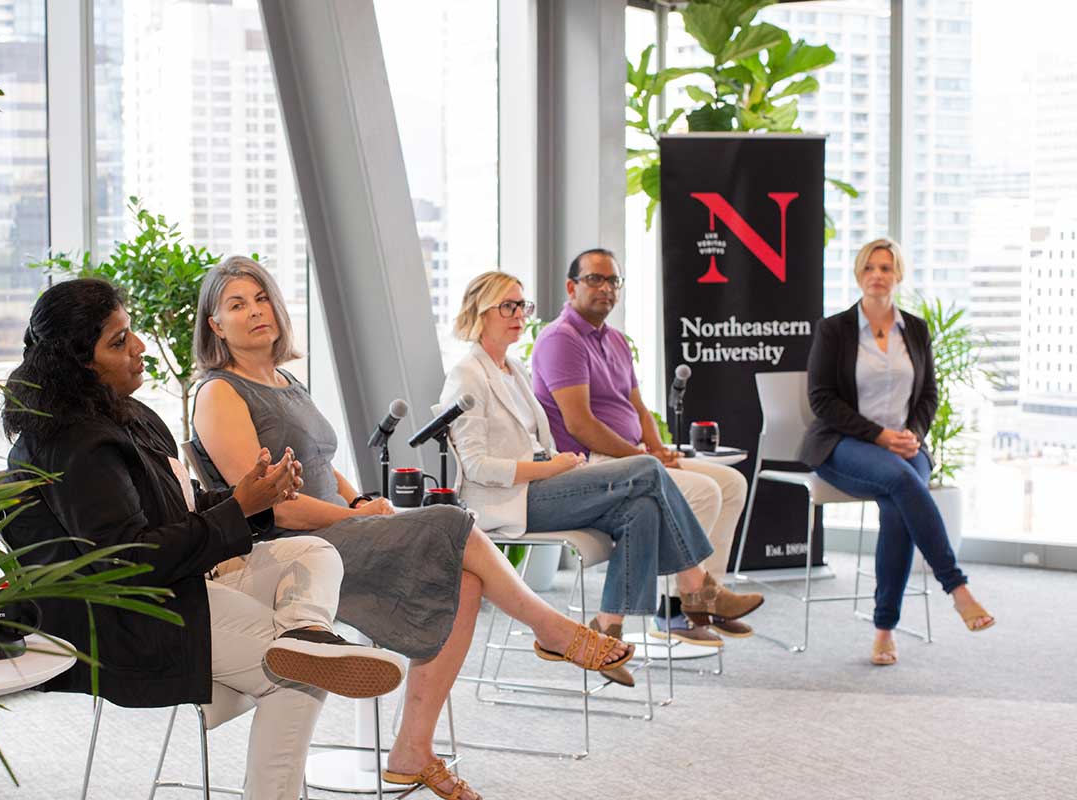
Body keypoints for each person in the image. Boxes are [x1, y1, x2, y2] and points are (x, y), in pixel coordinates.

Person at [191, 256, 634, 800]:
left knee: (465, 577)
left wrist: (361, 499)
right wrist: (356, 516)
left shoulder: (286, 380)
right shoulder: (218, 393)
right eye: (237, 305)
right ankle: (553, 631)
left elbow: (320, 463)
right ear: (215, 325)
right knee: (452, 521)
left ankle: (411, 752)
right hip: (294, 552)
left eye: (261, 298)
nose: (256, 311)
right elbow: (269, 508)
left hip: (340, 527)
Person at [0, 278, 406, 800]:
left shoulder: (127, 416)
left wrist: (250, 498)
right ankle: (300, 660)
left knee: (311, 551)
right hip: (132, 616)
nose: (139, 348)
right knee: (297, 676)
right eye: (118, 342)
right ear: (79, 364)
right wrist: (241, 509)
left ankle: (307, 634)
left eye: (131, 333)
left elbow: (178, 507)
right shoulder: (77, 445)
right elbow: (132, 562)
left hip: (181, 580)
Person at [440, 270, 764, 684]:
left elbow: (535, 441)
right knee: (647, 469)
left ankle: (607, 632)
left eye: (523, 306)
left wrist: (560, 462)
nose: (519, 314)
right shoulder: (467, 374)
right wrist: (550, 468)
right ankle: (697, 587)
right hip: (510, 500)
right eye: (508, 306)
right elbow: (477, 467)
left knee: (643, 508)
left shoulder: (513, 369)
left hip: (546, 484)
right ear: (480, 311)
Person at [531, 248, 752, 647]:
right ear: (571, 287)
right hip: (595, 464)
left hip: (632, 455)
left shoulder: (615, 339)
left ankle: (704, 602)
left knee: (732, 482)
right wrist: (642, 459)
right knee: (703, 491)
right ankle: (678, 610)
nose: (606, 289)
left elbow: (636, 406)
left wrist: (657, 447)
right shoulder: (560, 340)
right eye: (595, 279)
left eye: (613, 281)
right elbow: (580, 425)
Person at [799, 238, 995, 666]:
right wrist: (879, 436)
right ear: (858, 274)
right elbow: (822, 401)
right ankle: (957, 589)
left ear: (898, 275)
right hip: (844, 444)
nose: (877, 275)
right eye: (869, 267)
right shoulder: (834, 330)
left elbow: (928, 394)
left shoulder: (917, 330)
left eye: (886, 268)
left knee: (896, 502)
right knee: (903, 481)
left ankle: (884, 630)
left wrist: (912, 433)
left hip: (906, 446)